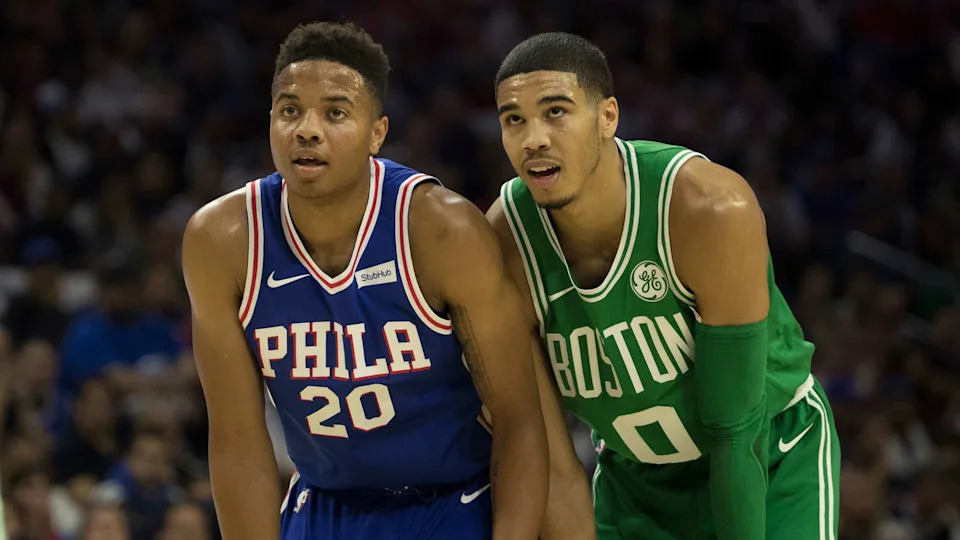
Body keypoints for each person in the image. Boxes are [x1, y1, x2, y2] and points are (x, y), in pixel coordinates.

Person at [181, 21, 547, 540]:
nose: (306, 129)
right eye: (290, 110)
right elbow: (238, 443)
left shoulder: (440, 229)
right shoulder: (221, 241)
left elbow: (520, 420)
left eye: (335, 113)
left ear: (377, 132)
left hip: (456, 501)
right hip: (326, 505)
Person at [486, 32, 840, 540]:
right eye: (513, 119)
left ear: (608, 117)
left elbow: (734, 433)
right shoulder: (506, 242)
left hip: (768, 453)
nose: (533, 138)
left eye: (556, 112)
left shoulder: (706, 208)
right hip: (637, 483)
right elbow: (550, 458)